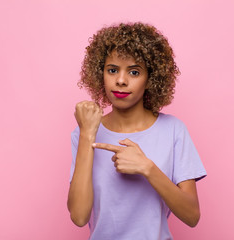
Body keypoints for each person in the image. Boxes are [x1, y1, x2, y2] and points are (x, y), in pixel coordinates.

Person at [67, 22, 207, 240]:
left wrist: (147, 168)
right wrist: (87, 134)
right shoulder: (85, 132)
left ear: (150, 78)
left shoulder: (173, 130)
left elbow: (192, 216)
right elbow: (79, 216)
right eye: (112, 70)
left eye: (134, 72)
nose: (121, 80)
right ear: (100, 73)